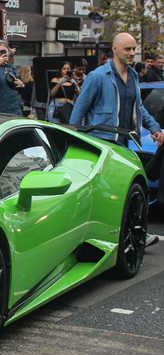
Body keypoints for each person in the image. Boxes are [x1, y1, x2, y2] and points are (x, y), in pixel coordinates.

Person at [70, 33, 163, 247]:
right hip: (101, 142)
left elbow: (138, 108)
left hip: (124, 143)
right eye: (127, 49)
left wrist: (155, 128)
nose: (131, 53)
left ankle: (137, 232)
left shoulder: (133, 76)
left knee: (131, 190)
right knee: (106, 194)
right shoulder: (98, 76)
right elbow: (80, 110)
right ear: (114, 49)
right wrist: (75, 140)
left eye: (133, 49)